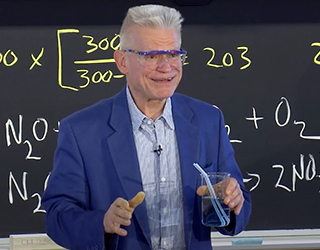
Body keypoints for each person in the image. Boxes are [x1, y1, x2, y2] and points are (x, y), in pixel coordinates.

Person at [42, 4, 251, 250]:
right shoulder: (80, 131)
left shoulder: (208, 120)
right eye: (151, 56)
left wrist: (232, 200)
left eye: (173, 54)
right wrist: (102, 222)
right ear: (122, 61)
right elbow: (57, 217)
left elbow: (239, 205)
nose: (166, 67)